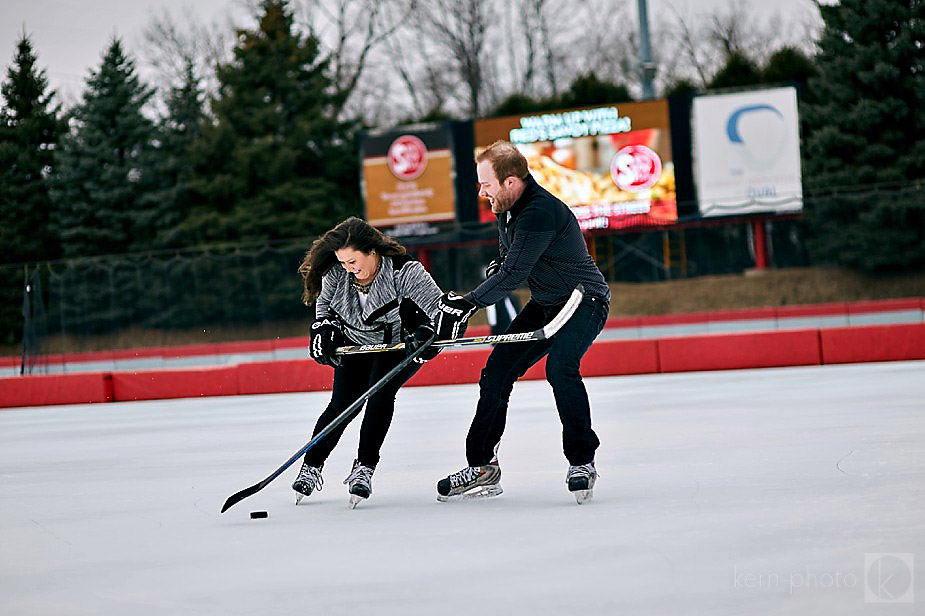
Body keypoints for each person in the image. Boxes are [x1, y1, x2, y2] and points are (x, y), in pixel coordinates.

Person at [434, 140, 611, 504]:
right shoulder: (507, 208)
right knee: (496, 372)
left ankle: (582, 461)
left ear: (511, 181)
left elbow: (515, 273)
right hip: (546, 303)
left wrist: (466, 304)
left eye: (486, 183)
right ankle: (482, 466)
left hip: (583, 301)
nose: (481, 191)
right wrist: (496, 268)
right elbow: (508, 260)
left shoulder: (539, 211)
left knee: (561, 367)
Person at [294, 217, 443, 508]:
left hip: (399, 344)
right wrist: (324, 329)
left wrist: (427, 335)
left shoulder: (405, 272)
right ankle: (311, 466)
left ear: (372, 251)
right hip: (356, 344)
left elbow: (441, 314)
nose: (349, 269)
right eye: (343, 263)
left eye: (353, 261)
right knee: (342, 403)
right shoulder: (337, 274)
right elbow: (324, 308)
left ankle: (364, 467)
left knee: (380, 393)